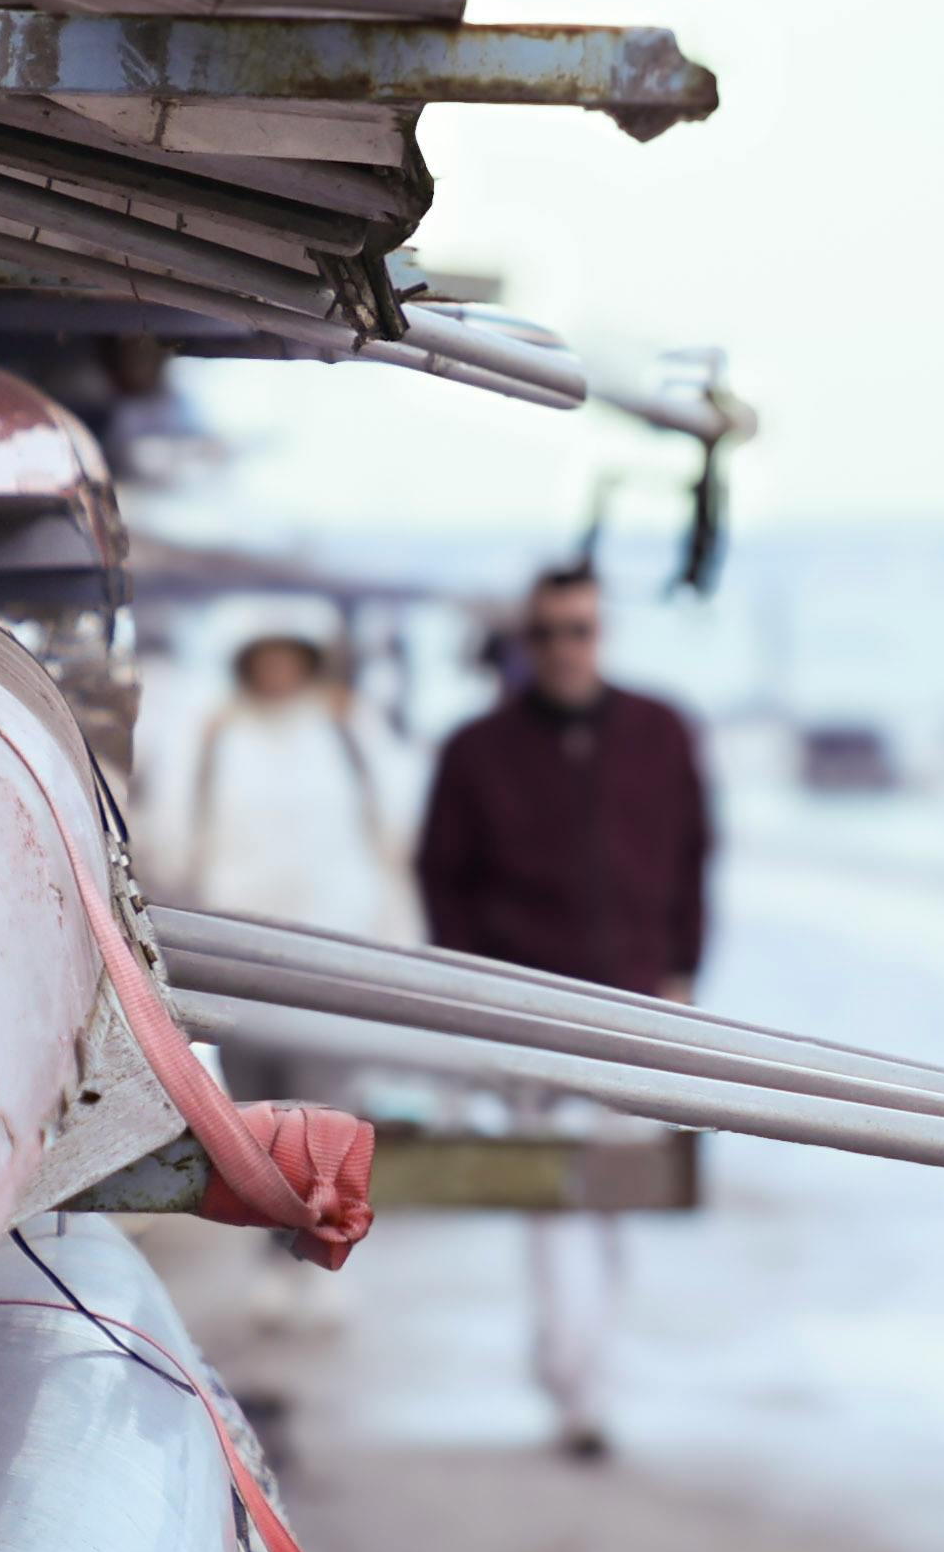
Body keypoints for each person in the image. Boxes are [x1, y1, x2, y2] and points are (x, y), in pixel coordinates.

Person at [414, 561, 713, 1457]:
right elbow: (440, 875)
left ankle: (574, 1358)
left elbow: (696, 856)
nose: (562, 649)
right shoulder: (475, 750)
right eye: (545, 633)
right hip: (527, 1003)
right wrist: (472, 989)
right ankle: (580, 1391)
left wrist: (683, 973)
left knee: (611, 1194)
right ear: (523, 642)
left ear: (601, 633)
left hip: (635, 998)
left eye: (578, 629)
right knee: (556, 1196)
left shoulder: (661, 732)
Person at [162, 627, 412, 943]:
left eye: (286, 660)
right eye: (266, 660)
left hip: (343, 913)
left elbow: (396, 811)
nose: (277, 671)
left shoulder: (345, 722)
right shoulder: (215, 730)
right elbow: (173, 825)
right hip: (238, 911)